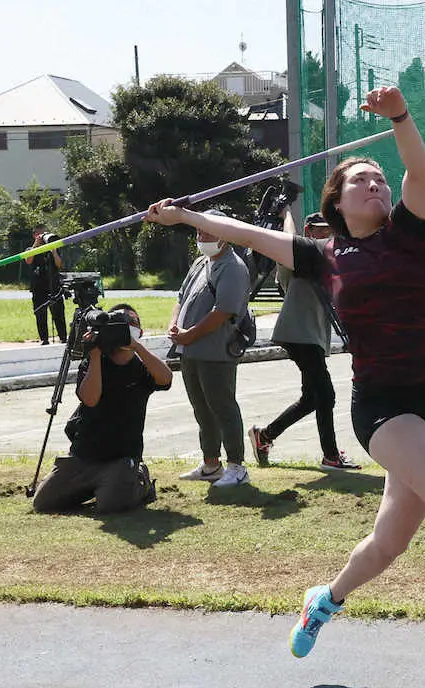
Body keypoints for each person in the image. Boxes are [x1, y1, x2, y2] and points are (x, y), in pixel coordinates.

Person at [145, 86, 425, 657]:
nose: (374, 184)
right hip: (383, 402)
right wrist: (182, 215)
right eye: (360, 179)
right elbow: (239, 234)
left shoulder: (414, 229)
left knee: (388, 542)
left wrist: (401, 116)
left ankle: (323, 600)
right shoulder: (321, 256)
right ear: (337, 201)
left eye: (378, 178)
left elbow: (418, 168)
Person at [247, 210, 361, 472]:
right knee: (326, 395)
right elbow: (288, 237)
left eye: (329, 230)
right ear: (308, 232)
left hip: (309, 335)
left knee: (312, 398)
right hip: (299, 334)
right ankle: (331, 457)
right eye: (321, 229)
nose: (327, 234)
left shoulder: (324, 256)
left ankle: (264, 436)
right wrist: (287, 212)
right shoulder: (295, 257)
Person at [32, 303, 172, 514]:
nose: (125, 328)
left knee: (111, 506)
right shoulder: (93, 363)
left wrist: (137, 347)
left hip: (121, 458)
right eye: (120, 324)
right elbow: (90, 399)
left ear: (139, 332)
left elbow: (166, 378)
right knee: (43, 503)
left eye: (131, 323)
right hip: (84, 456)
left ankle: (140, 480)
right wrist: (95, 355)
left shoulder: (142, 367)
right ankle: (98, 486)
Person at [168, 210, 252, 488]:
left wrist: (191, 334)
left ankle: (237, 466)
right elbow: (181, 297)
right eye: (199, 232)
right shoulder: (199, 263)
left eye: (208, 231)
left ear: (225, 235)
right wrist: (174, 325)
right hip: (190, 351)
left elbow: (223, 311)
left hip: (215, 351)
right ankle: (211, 464)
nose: (202, 237)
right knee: (201, 408)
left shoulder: (232, 266)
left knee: (223, 406)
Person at [28, 224, 68, 345]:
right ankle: (44, 338)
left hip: (53, 284)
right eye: (41, 234)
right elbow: (28, 260)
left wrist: (54, 251)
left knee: (58, 312)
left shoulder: (52, 248)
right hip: (38, 286)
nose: (44, 237)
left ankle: (63, 337)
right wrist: (36, 245)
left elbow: (60, 265)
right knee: (40, 312)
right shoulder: (31, 249)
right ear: (34, 235)